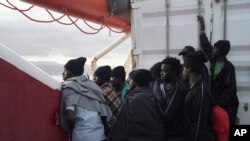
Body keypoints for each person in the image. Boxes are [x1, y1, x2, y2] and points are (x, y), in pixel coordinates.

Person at [198, 15, 239, 125]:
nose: (213, 49)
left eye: (215, 48)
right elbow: (206, 46)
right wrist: (202, 28)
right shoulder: (214, 60)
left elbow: (231, 91)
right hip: (216, 106)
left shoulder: (229, 67)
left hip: (227, 107)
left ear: (221, 52)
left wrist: (217, 103)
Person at [60, 57, 112, 141]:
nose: (62, 74)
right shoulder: (93, 86)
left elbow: (70, 117)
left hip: (82, 136)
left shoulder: (69, 87)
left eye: (65, 71)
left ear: (71, 73)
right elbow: (103, 114)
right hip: (100, 135)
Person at [107, 69, 167, 141]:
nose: (128, 82)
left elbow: (124, 126)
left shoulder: (133, 99)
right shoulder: (152, 96)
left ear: (134, 82)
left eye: (130, 80)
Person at [153, 57, 188, 141]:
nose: (161, 73)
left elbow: (167, 114)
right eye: (161, 70)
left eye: (165, 71)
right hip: (169, 133)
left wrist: (159, 95)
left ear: (174, 72)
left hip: (175, 135)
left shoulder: (177, 88)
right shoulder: (169, 85)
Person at [182, 52, 214, 141]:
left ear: (189, 69)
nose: (182, 71)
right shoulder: (194, 88)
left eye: (184, 68)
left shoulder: (200, 92)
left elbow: (199, 125)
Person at [93, 65, 122, 135]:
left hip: (113, 130)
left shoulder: (103, 92)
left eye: (95, 77)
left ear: (101, 79)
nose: (93, 79)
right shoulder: (109, 88)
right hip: (119, 126)